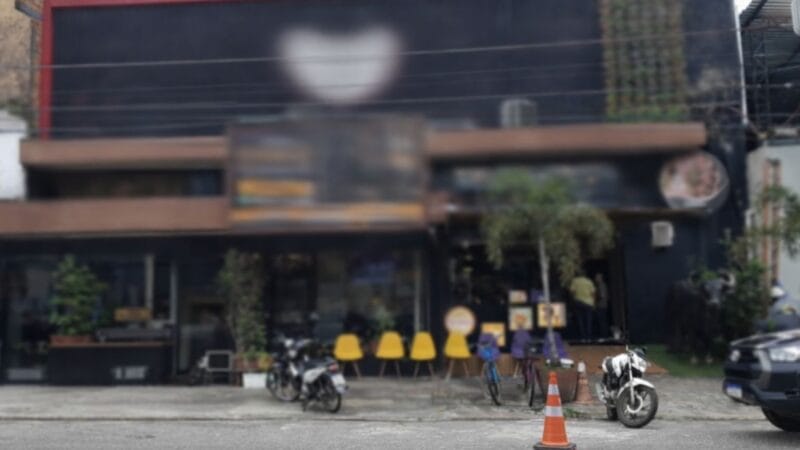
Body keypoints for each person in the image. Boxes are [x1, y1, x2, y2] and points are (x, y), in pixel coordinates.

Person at [569, 273, 596, 342]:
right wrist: (593, 303)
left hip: (578, 302)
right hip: (588, 303)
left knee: (580, 320)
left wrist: (573, 299)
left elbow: (572, 291)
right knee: (588, 320)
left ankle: (582, 337)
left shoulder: (575, 281)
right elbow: (593, 293)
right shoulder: (589, 281)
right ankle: (589, 337)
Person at [594, 273, 609, 338]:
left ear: (600, 278)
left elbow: (602, 296)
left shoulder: (601, 285)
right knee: (602, 320)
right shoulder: (602, 285)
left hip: (601, 305)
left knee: (602, 321)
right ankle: (604, 334)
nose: (596, 279)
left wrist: (595, 298)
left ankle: (604, 335)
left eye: (597, 277)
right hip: (603, 305)